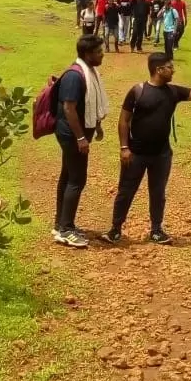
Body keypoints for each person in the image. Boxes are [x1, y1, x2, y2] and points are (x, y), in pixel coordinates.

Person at [100, 53, 191, 246]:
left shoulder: (173, 92)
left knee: (158, 193)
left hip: (161, 154)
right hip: (135, 153)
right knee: (126, 191)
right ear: (158, 70)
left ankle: (156, 230)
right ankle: (115, 230)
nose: (173, 70)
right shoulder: (137, 91)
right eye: (170, 67)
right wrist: (124, 147)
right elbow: (124, 120)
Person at [53, 35, 109, 247]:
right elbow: (69, 108)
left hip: (78, 134)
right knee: (77, 179)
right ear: (87, 54)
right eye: (98, 52)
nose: (102, 54)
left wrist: (97, 126)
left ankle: (61, 224)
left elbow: (88, 105)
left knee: (68, 176)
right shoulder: (75, 77)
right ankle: (66, 229)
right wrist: (80, 138)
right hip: (71, 135)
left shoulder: (90, 72)